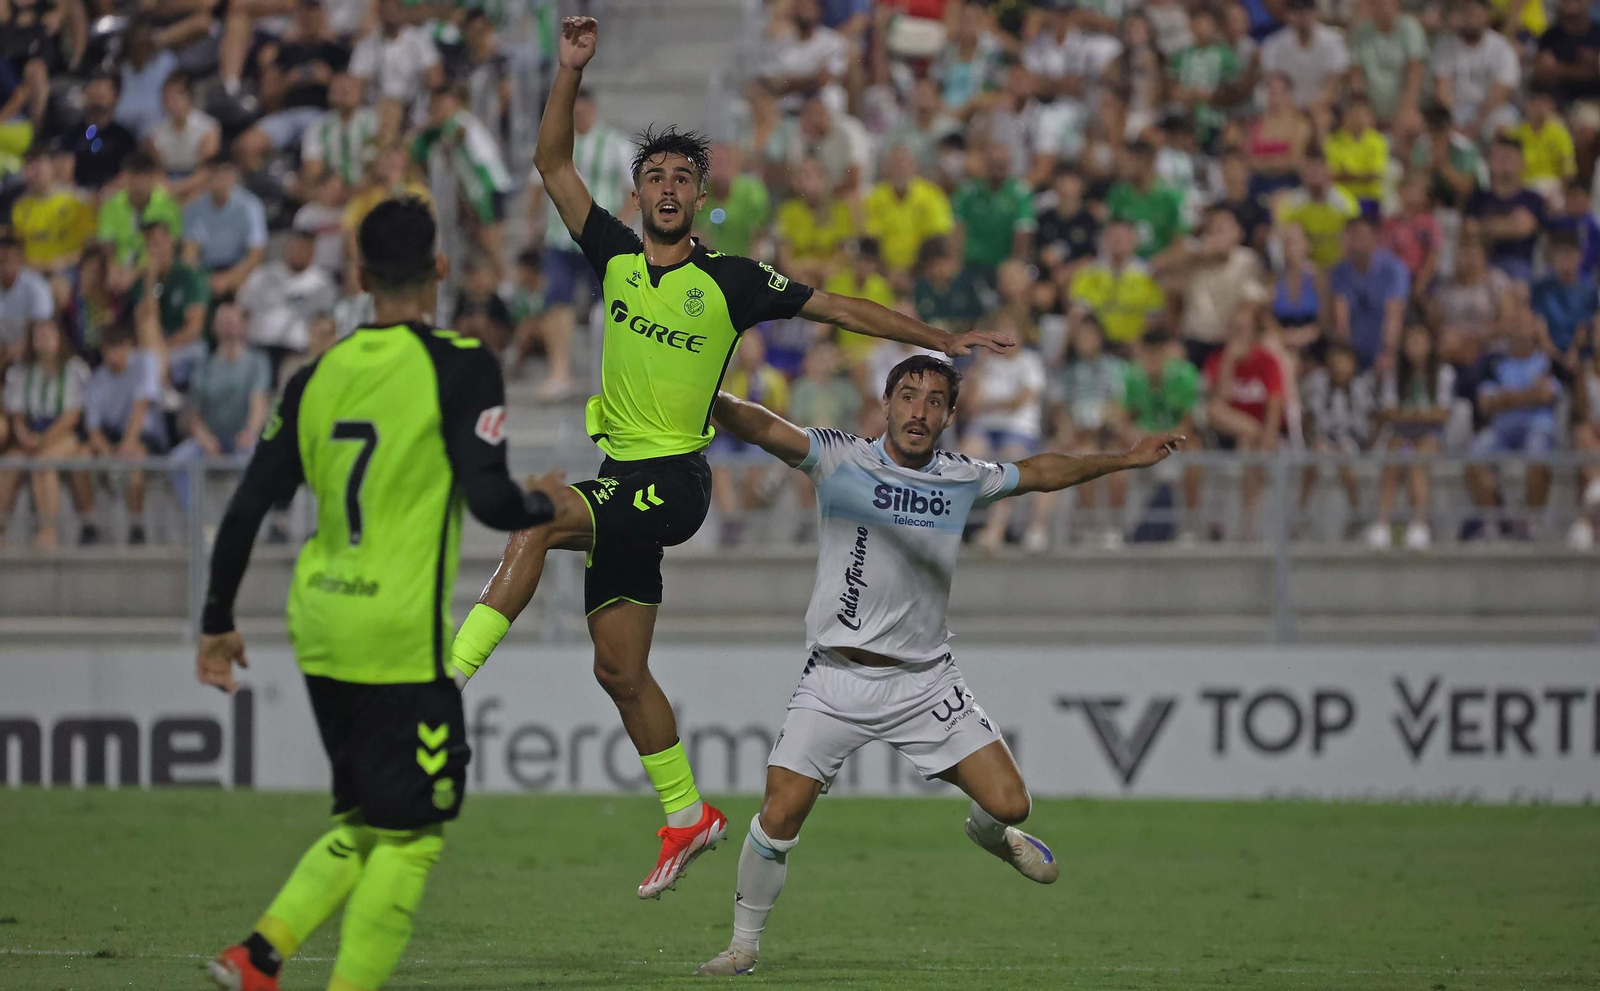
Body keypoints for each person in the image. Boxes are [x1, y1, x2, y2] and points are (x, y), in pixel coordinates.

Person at [447, 16, 1015, 903]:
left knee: (541, 511)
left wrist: (938, 338)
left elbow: (844, 309)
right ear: (635, 193)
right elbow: (553, 165)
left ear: (700, 194)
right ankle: (685, 814)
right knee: (619, 669)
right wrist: (569, 71)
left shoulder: (735, 280)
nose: (668, 188)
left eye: (682, 177)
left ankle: (443, 684)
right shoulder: (613, 256)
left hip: (671, 482)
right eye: (654, 176)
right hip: (621, 479)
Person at [691, 356, 1183, 976]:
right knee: (780, 811)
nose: (918, 411)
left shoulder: (962, 477)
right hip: (835, 678)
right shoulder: (839, 458)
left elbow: (1041, 471)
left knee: (1010, 804)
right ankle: (742, 947)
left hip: (924, 681)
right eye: (907, 395)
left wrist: (1126, 458)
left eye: (933, 401)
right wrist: (698, 385)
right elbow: (762, 426)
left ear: (950, 416)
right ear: (886, 401)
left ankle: (990, 836)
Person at [196, 197, 556, 991]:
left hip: (319, 622)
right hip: (397, 634)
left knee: (367, 814)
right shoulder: (461, 363)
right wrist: (547, 505)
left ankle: (259, 955)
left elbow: (248, 504)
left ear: (358, 277)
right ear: (438, 268)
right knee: (415, 833)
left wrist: (216, 619)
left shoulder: (312, 376)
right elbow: (492, 501)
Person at [0, 317, 92, 549]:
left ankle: (48, 530)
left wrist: (43, 440)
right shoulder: (22, 371)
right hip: (30, 433)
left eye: (48, 335)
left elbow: (71, 416)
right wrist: (22, 435)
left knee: (43, 463)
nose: (43, 340)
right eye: (38, 336)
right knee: (10, 463)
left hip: (61, 434)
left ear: (59, 339)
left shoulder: (74, 369)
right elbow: (17, 416)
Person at [82, 323, 165, 544]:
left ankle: (136, 524)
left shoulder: (145, 362)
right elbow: (93, 429)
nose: (115, 354)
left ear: (130, 346)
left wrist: (126, 447)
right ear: (103, 350)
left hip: (144, 434)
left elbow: (140, 407)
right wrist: (108, 454)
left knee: (133, 458)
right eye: (110, 348)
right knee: (81, 456)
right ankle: (88, 523)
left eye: (120, 347)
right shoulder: (97, 379)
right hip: (112, 436)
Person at [1373, 324, 1453, 550]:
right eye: (1411, 341)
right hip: (1403, 433)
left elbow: (1442, 414)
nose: (1415, 346)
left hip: (1432, 434)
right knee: (1394, 454)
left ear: (1429, 344)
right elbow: (1388, 412)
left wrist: (1411, 415)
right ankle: (1382, 524)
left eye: (1420, 340)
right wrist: (1417, 415)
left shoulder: (1443, 373)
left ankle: (1419, 523)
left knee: (1418, 458)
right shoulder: (1395, 374)